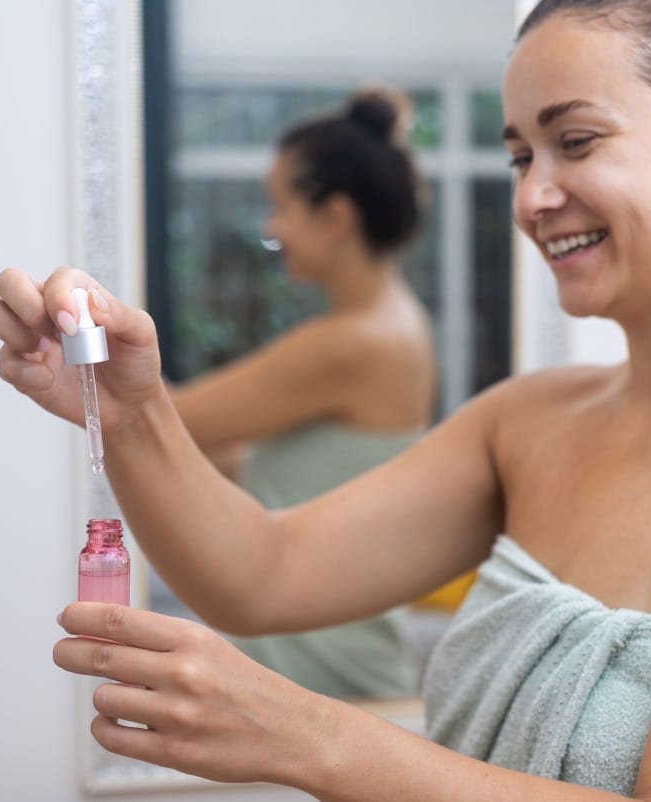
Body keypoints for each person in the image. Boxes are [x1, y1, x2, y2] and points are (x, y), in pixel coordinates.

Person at [0, 1, 651, 799]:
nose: (534, 196)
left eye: (576, 141)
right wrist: (135, 412)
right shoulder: (532, 418)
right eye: (520, 157)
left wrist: (312, 737)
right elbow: (260, 572)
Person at [164, 88, 438, 699]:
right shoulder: (393, 324)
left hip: (332, 683)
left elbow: (165, 418)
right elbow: (291, 474)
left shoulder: (356, 342)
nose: (270, 227)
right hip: (324, 672)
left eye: (279, 205)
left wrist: (95, 339)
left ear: (336, 216)